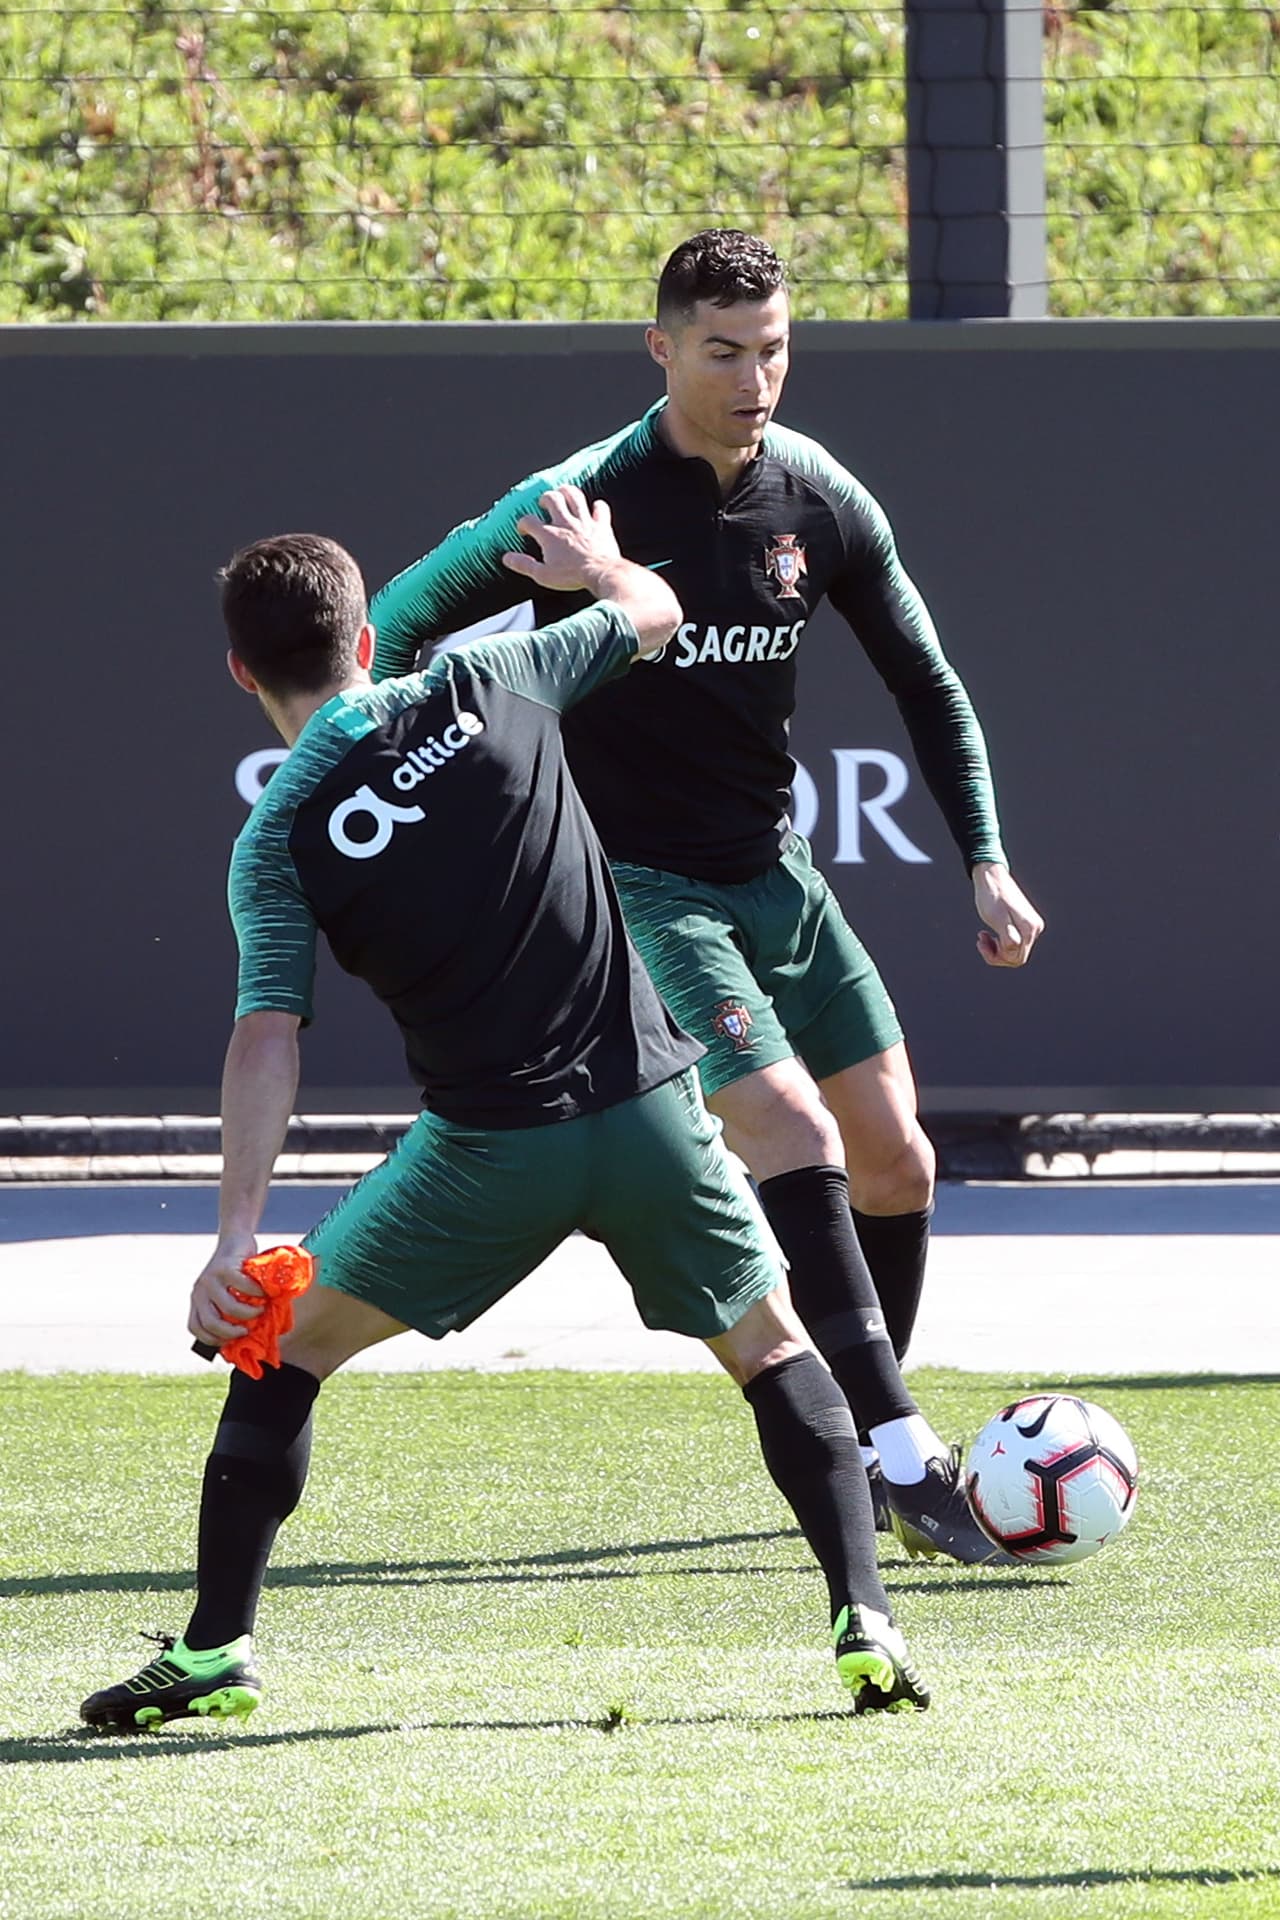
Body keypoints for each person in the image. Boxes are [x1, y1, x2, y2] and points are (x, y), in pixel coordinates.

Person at [81, 492, 930, 1733]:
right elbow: (654, 611)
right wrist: (597, 564)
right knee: (773, 1350)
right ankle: (865, 1621)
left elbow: (267, 1037)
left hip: (488, 1153)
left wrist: (235, 1235)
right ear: (364, 639)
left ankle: (215, 1648)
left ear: (241, 672)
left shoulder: (275, 840)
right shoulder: (489, 679)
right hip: (652, 1114)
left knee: (279, 1345)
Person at [366, 229, 1043, 1564]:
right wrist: (434, 777)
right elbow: (394, 621)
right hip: (636, 892)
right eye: (722, 351)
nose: (753, 378)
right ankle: (902, 1453)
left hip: (773, 874)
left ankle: (858, 1440)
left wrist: (985, 855)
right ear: (660, 348)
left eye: (772, 349)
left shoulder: (817, 495)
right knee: (790, 1128)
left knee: (897, 1161)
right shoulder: (580, 506)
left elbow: (926, 680)